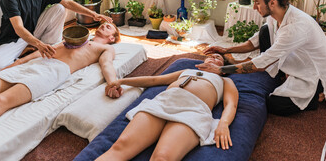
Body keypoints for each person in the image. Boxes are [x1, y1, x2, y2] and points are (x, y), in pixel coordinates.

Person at [199, 0, 326, 116]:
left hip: (315, 75)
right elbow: (254, 42)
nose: (254, 7)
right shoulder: (275, 17)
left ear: (272, 3)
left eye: (257, 2)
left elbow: (263, 62)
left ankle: (316, 96)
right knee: (264, 32)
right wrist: (226, 49)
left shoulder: (294, 27)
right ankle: (281, 76)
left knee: (274, 104)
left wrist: (221, 69)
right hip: (298, 60)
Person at [0, 22, 120, 132]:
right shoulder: (73, 38)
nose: (104, 25)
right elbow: (40, 53)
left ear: (112, 37)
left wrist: (112, 83)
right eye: (103, 24)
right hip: (36, 64)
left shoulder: (104, 48)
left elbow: (106, 64)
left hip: (53, 72)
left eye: (108, 27)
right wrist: (14, 65)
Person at [98, 54, 238, 161]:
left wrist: (223, 123)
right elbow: (154, 80)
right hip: (164, 102)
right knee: (120, 146)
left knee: (162, 158)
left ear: (224, 69)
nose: (213, 57)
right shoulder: (187, 70)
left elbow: (231, 104)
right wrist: (121, 81)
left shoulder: (225, 80)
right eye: (210, 56)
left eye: (218, 58)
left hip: (193, 111)